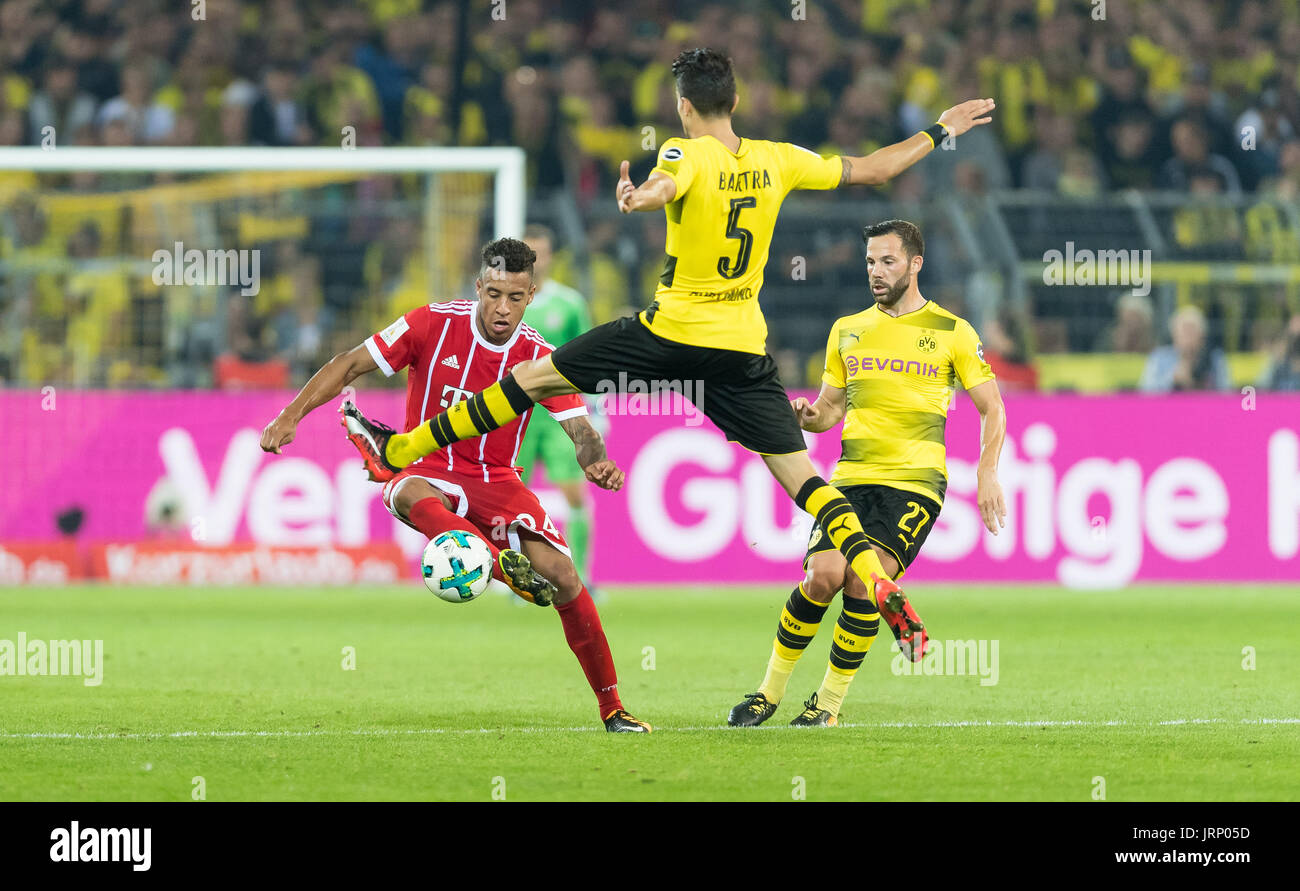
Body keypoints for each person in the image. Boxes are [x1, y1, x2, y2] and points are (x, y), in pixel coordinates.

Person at [348, 48, 997, 617]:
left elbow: (666, 182)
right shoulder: (779, 158)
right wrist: (942, 128)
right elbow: (878, 169)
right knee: (800, 474)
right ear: (735, 100)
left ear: (685, 107)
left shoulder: (685, 149)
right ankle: (875, 576)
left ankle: (404, 451)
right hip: (742, 346)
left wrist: (638, 199)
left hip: (670, 332)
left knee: (527, 379)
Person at [258, 237, 650, 733]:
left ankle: (613, 708)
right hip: (428, 468)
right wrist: (290, 416)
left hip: (498, 481)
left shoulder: (540, 357)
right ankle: (501, 565)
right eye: (493, 294)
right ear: (477, 287)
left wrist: (595, 461)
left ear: (531, 295)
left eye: (514, 297)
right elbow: (349, 363)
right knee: (405, 492)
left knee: (565, 578)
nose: (501, 308)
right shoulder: (431, 322)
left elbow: (581, 429)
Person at [729, 220, 1007, 727]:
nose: (876, 273)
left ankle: (827, 706)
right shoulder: (847, 329)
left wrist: (987, 472)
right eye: (870, 263)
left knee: (860, 583)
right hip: (852, 478)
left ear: (915, 263)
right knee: (821, 577)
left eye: (888, 262)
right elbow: (831, 408)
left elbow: (993, 408)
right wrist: (807, 416)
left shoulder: (952, 331)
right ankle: (768, 694)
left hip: (915, 484)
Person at [516, 224, 596, 581]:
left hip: (558, 414)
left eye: (541, 252)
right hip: (513, 413)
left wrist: (597, 410)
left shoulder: (570, 304)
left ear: (551, 257)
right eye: (529, 253)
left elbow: (592, 360)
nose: (536, 260)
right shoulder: (504, 301)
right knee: (510, 497)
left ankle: (581, 576)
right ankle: (514, 577)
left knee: (573, 493)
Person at [1139, 304, 1230, 392]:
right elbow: (1146, 394)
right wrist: (1172, 380)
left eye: (1192, 331)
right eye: (1184, 331)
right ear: (1174, 335)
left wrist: (1199, 387)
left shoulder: (1215, 359)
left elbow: (1226, 395)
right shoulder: (1159, 358)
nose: (1188, 336)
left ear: (1202, 337)